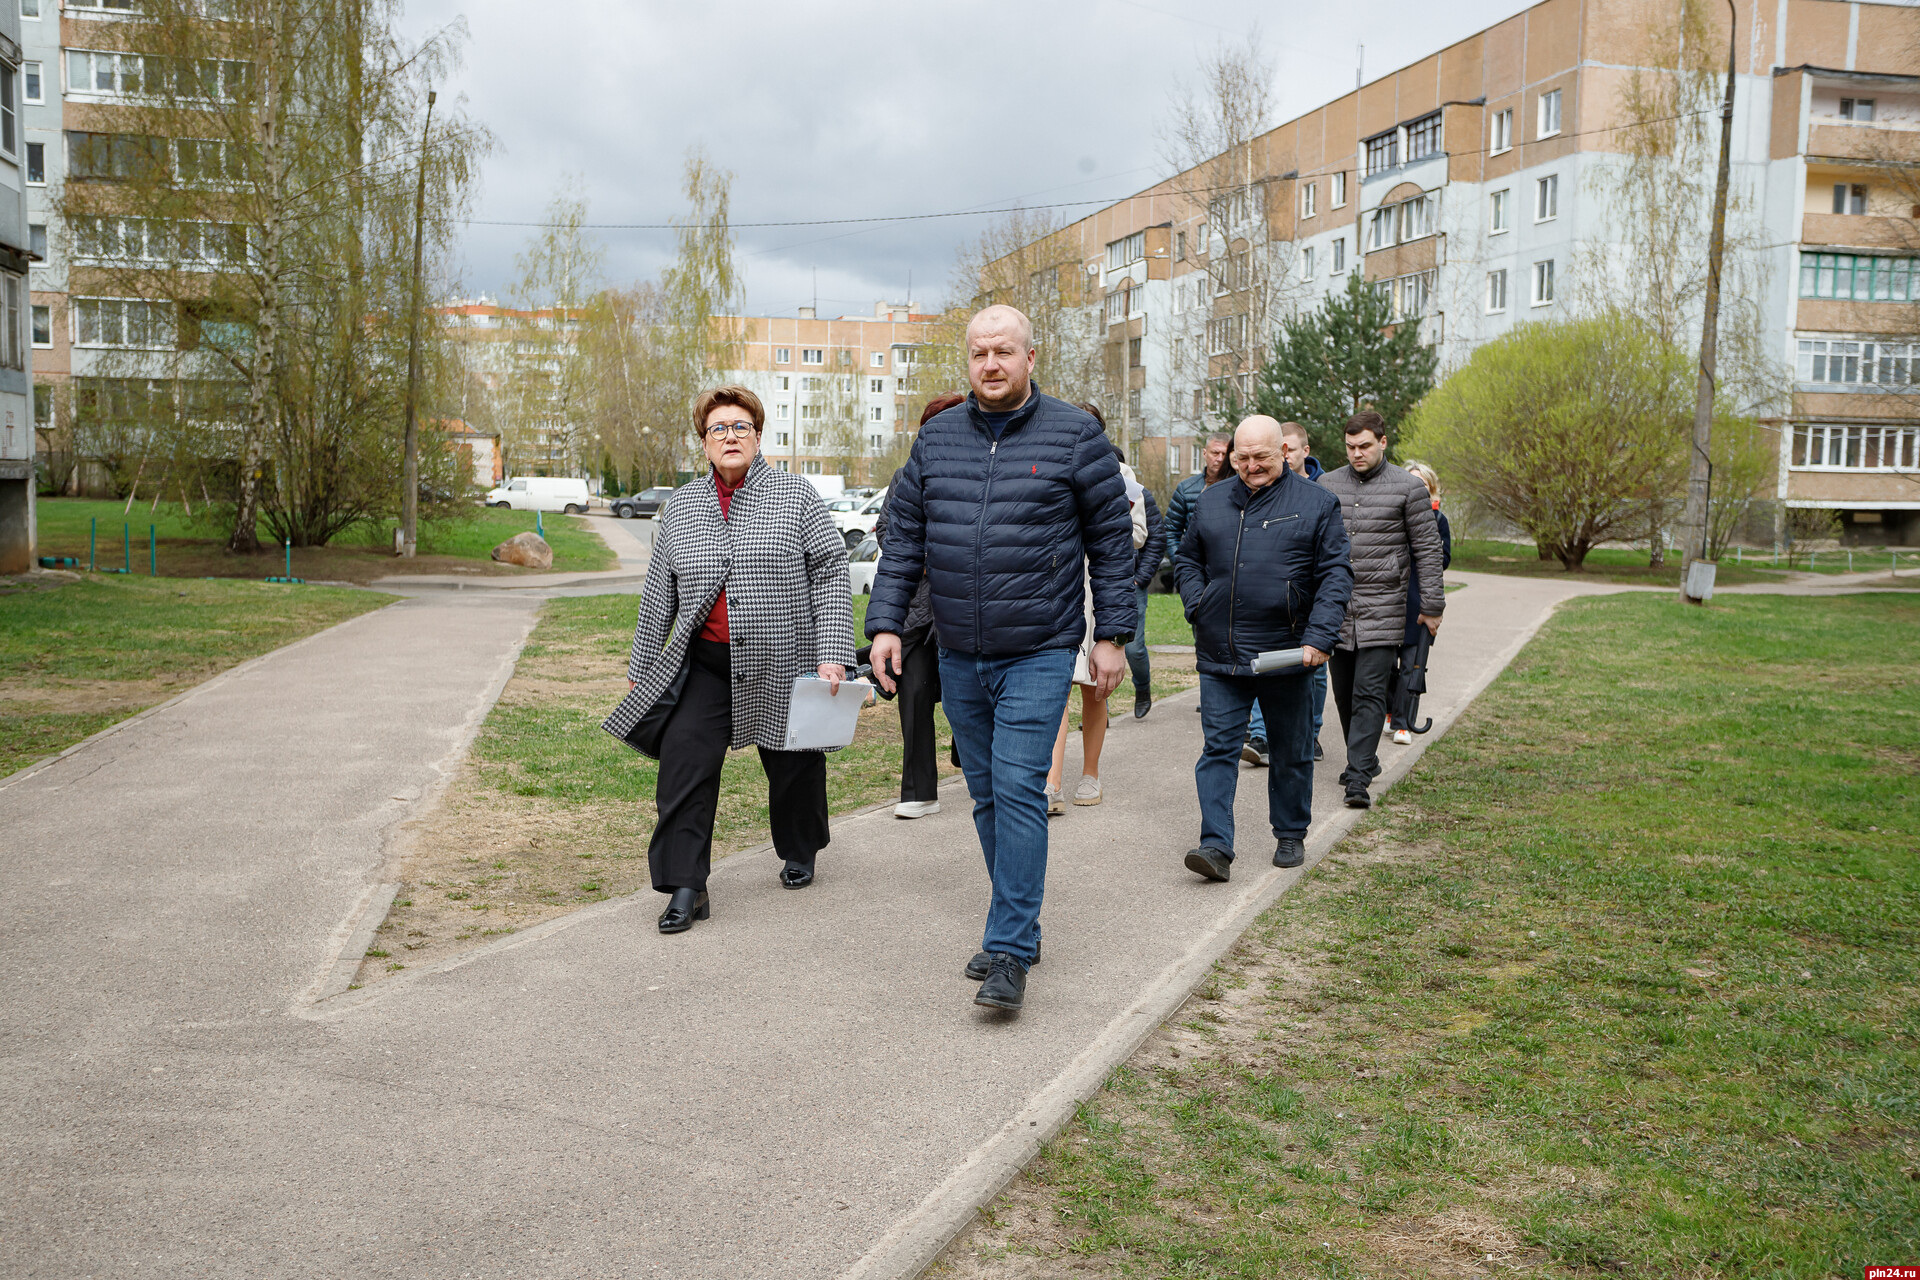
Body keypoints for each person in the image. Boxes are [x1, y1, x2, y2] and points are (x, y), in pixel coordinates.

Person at [867, 304, 1135, 1015]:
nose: (990, 364)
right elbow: (904, 543)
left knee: (1019, 788)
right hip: (959, 648)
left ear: (1030, 356)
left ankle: (1010, 947)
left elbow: (1112, 545)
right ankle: (1019, 920)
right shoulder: (937, 440)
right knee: (985, 792)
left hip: (1040, 647)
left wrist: (1113, 635)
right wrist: (885, 626)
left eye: (1004, 352)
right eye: (979, 353)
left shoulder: (1076, 436)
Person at [603, 385, 857, 934]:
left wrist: (834, 653)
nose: (730, 436)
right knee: (683, 769)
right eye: (718, 429)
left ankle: (801, 846)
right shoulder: (681, 509)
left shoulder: (797, 496)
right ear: (704, 443)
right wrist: (642, 666)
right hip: (705, 666)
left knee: (795, 766)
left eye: (741, 426)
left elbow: (832, 574)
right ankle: (686, 887)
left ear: (759, 436)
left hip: (785, 661)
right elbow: (658, 594)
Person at [1173, 415, 1351, 881]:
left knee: (1291, 750)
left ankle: (1290, 832)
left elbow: (1335, 575)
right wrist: (1198, 602)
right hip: (1221, 652)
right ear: (1231, 457)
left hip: (1287, 654)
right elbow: (1189, 559)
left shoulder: (1317, 504)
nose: (1251, 466)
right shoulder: (1210, 502)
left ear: (1285, 454)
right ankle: (1215, 846)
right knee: (1218, 750)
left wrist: (1319, 636)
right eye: (1243, 458)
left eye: (1262, 458)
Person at [1317, 410, 1446, 810]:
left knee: (1369, 691)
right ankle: (1366, 758)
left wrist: (1432, 605)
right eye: (1351, 447)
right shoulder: (1326, 484)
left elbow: (1428, 550)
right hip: (1336, 606)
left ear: (1383, 442)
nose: (1357, 453)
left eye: (1365, 446)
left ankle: (1357, 778)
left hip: (1384, 605)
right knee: (1342, 691)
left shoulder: (1408, 489)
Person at [1045, 420, 1148, 814]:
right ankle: (1051, 781)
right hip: (1057, 591)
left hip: (1097, 592)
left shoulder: (1120, 474)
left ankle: (1090, 774)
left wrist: (1105, 525)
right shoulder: (1050, 462)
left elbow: (1138, 534)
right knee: (1056, 688)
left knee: (1093, 687)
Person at [875, 392, 967, 818]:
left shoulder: (980, 475)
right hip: (916, 608)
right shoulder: (905, 476)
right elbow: (887, 528)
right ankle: (918, 791)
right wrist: (925, 559)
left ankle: (969, 756)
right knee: (913, 694)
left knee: (966, 693)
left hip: (965, 605)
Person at [1164, 432, 1232, 719]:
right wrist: (1182, 562)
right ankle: (1210, 691)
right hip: (1196, 575)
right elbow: (1170, 529)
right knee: (1201, 632)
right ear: (1204, 454)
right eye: (1214, 452)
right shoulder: (1187, 489)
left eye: (1224, 453)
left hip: (1226, 571)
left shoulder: (1236, 487)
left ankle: (1229, 687)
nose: (1219, 458)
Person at [1388, 461, 1452, 746]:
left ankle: (1403, 723)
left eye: (1422, 485)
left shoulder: (1439, 521)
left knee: (1411, 666)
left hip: (1419, 599)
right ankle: (1391, 712)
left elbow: (1444, 560)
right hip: (1389, 600)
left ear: (1431, 489)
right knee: (1386, 665)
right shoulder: (1391, 516)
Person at [1278, 421, 1330, 763]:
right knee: (1266, 662)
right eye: (1278, 449)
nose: (1284, 456)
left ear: (1305, 452)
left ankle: (1311, 733)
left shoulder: (1326, 491)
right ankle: (1261, 734)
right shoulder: (1267, 485)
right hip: (1276, 595)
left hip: (1312, 595)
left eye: (1290, 449)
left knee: (1316, 670)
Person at [1122, 449, 1165, 720]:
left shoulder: (1137, 491)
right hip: (1088, 582)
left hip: (1131, 581)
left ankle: (1143, 688)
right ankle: (1098, 712)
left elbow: (1155, 538)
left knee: (1133, 647)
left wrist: (1141, 577)